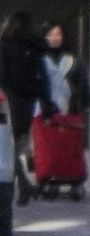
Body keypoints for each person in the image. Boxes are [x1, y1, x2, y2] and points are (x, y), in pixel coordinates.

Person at [0, 11, 51, 196]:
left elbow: (3, 76)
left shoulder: (5, 45)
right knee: (16, 144)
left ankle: (21, 183)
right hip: (29, 102)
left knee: (8, 145)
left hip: (10, 101)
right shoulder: (36, 47)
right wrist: (46, 102)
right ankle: (22, 184)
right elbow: (43, 78)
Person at [40, 21, 90, 118]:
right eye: (50, 35)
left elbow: (82, 81)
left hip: (69, 108)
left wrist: (86, 102)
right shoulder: (39, 59)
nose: (54, 38)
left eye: (58, 34)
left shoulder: (72, 59)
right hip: (43, 110)